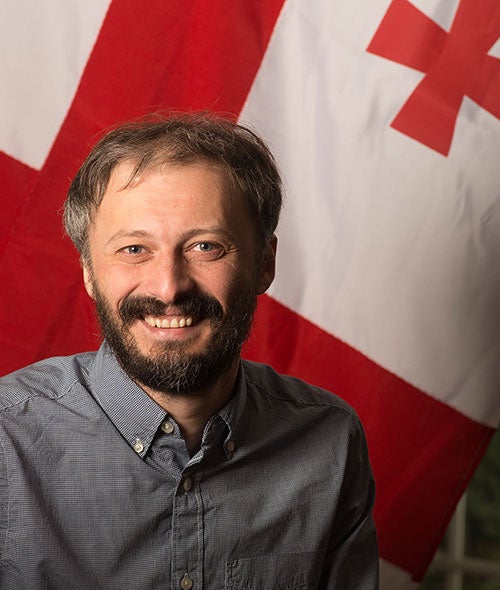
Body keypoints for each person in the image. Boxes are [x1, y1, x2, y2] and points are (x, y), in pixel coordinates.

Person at [0, 113, 379, 589]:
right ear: (89, 273)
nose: (169, 287)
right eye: (134, 249)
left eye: (205, 246)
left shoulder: (330, 442)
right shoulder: (6, 442)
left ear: (265, 264)